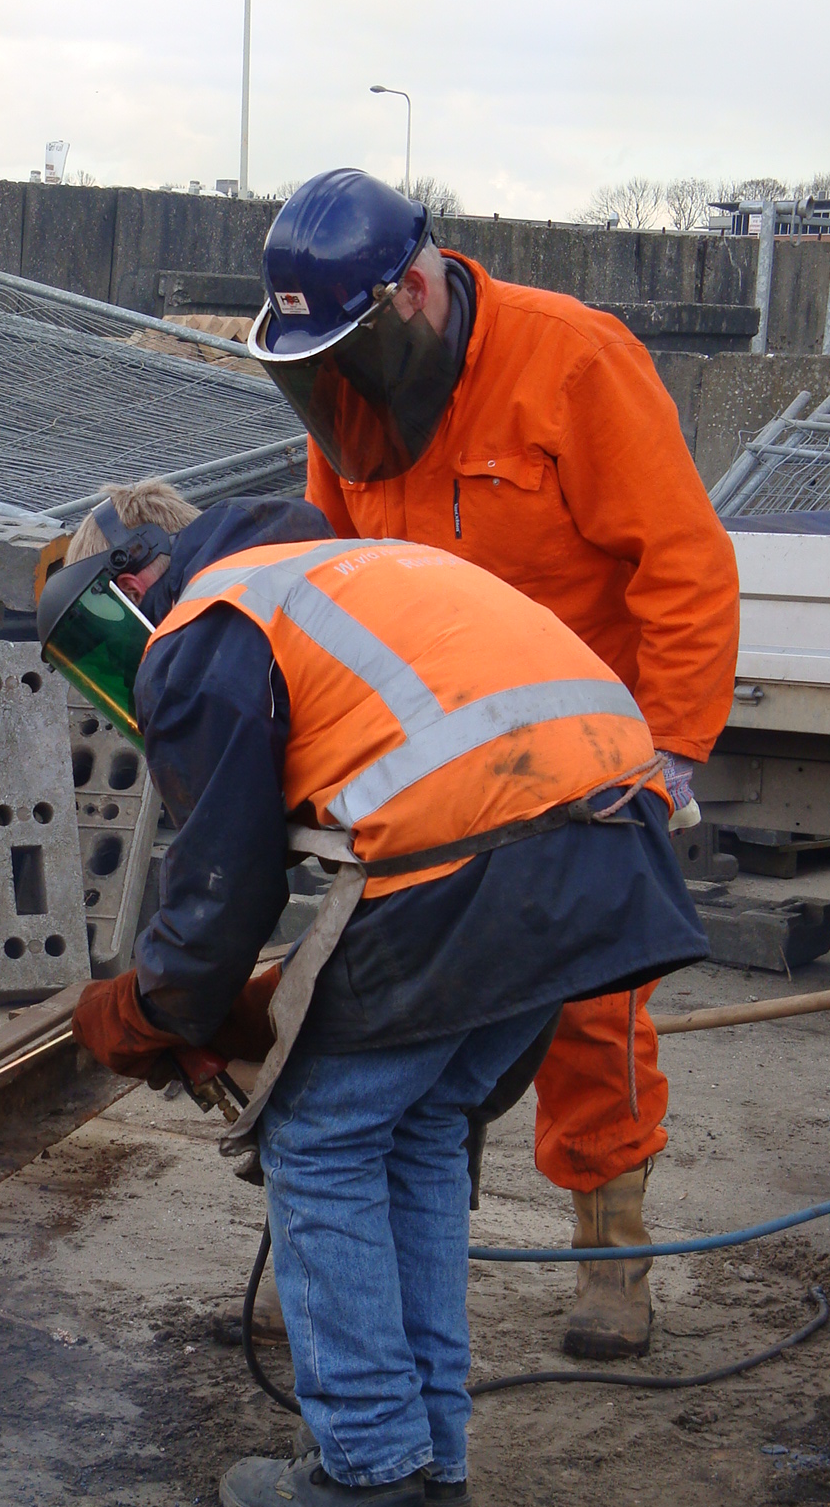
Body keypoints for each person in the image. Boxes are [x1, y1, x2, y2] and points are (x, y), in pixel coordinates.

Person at [39, 480, 706, 1507]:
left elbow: (219, 885)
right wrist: (229, 1000)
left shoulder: (217, 618)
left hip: (493, 855)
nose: (125, 673)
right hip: (606, 855)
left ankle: (368, 1474)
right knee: (418, 1129)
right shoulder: (342, 569)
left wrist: (161, 1008)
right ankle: (432, 1463)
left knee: (323, 1137)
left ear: (135, 578)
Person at [247, 169, 739, 1360]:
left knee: (590, 1005)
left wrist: (669, 753)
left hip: (580, 757)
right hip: (427, 769)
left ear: (414, 285)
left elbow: (684, 566)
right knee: (394, 1007)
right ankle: (361, 1252)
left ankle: (611, 1250)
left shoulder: (574, 363)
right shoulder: (352, 405)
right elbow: (335, 574)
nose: (344, 392)